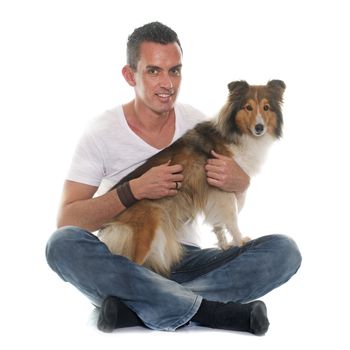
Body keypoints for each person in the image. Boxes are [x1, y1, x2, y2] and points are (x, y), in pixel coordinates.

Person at [45, 22, 301, 335]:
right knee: (61, 244)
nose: (167, 83)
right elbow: (69, 220)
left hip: (188, 259)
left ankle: (139, 306)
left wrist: (240, 183)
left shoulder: (200, 123)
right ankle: (209, 311)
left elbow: (219, 201)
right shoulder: (101, 132)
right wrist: (133, 190)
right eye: (154, 71)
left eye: (175, 71)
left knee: (284, 252)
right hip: (129, 259)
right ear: (130, 75)